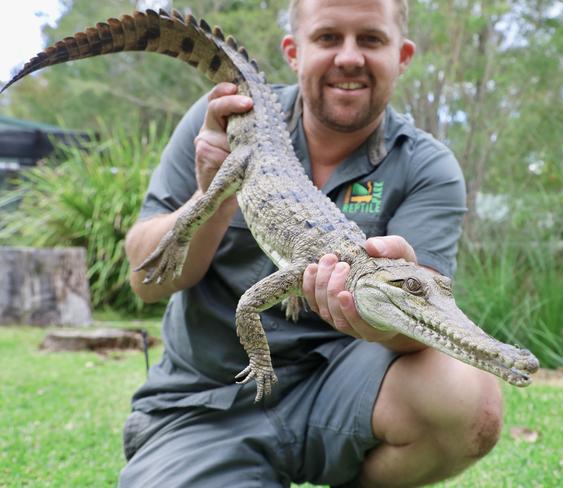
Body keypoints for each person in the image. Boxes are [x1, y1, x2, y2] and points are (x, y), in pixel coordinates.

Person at [120, 0, 503, 486]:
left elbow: (421, 322)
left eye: (370, 38)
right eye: (327, 37)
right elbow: (145, 283)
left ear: (402, 55)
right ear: (293, 51)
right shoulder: (225, 119)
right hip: (209, 401)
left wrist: (380, 320)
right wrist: (210, 195)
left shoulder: (427, 165)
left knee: (470, 400)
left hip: (339, 386)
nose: (349, 58)